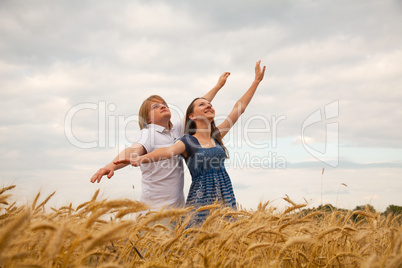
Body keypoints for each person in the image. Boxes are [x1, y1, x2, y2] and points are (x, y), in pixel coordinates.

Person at [115, 60, 266, 224]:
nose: (208, 105)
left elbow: (239, 108)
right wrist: (141, 158)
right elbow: (166, 151)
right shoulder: (188, 141)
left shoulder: (216, 136)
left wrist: (256, 82)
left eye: (210, 105)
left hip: (225, 194)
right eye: (203, 105)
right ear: (192, 116)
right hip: (201, 199)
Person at [90, 72, 231, 212]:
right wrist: (111, 166)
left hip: (177, 209)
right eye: (155, 106)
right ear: (148, 119)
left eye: (164, 104)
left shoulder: (175, 130)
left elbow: (197, 108)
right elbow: (132, 151)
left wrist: (218, 86)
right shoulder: (147, 133)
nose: (162, 106)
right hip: (155, 210)